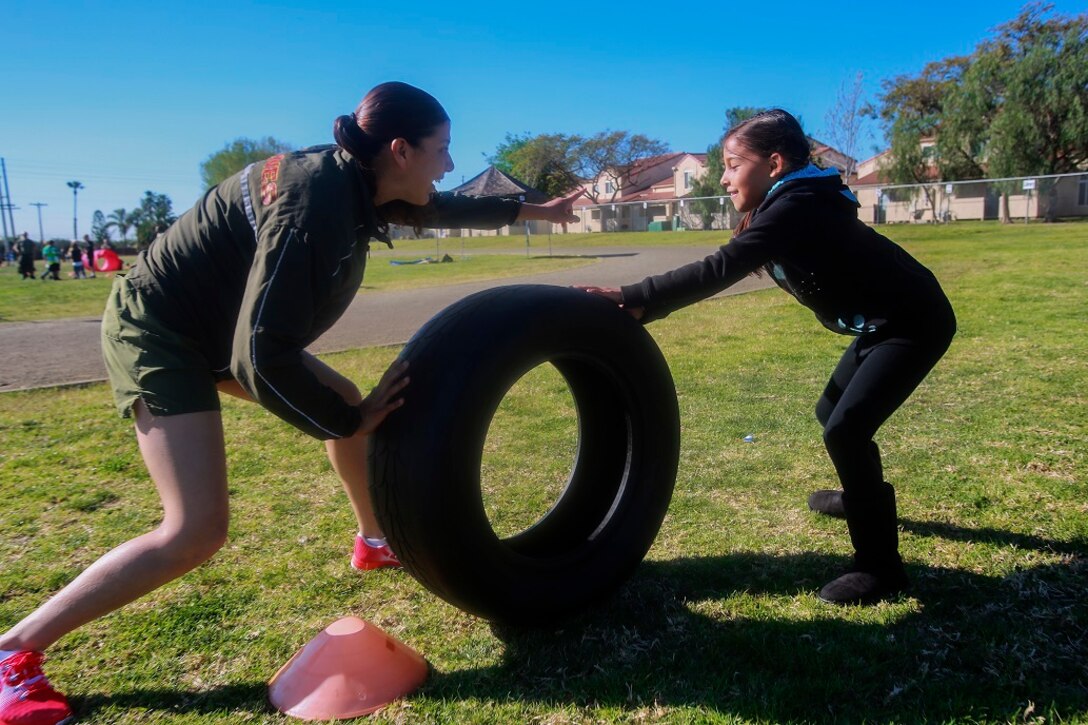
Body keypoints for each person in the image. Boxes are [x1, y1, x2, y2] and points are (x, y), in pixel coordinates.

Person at [0, 81, 580, 725]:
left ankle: (373, 540)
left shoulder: (360, 178)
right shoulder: (317, 208)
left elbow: (442, 205)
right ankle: (13, 651)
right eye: (442, 149)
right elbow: (259, 358)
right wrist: (348, 420)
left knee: (342, 402)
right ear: (400, 150)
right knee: (195, 529)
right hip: (162, 335)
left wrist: (542, 212)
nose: (448, 163)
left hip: (215, 328)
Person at [581, 109, 955, 607]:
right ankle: (859, 499)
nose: (724, 176)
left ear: (774, 163)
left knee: (847, 429)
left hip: (915, 322)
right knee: (832, 415)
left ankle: (881, 567)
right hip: (883, 321)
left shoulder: (799, 205)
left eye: (733, 164)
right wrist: (644, 306)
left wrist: (635, 294)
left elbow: (723, 266)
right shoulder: (792, 201)